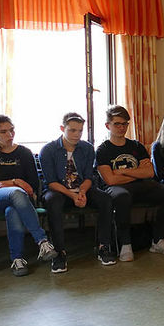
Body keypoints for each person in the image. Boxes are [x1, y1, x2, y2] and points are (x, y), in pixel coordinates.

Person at [95, 105, 164, 261]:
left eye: (125, 123)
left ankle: (158, 239)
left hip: (140, 186)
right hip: (116, 189)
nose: (121, 127)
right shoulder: (103, 150)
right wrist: (136, 173)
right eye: (117, 124)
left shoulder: (136, 146)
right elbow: (110, 180)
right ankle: (125, 244)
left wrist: (121, 172)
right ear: (108, 126)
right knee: (123, 196)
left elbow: (149, 172)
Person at [0, 115, 57, 276]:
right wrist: (17, 181)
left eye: (11, 130)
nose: (10, 135)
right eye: (4, 132)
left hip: (21, 200)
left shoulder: (25, 153)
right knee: (16, 192)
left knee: (12, 210)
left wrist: (7, 183)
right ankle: (42, 241)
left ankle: (18, 260)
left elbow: (33, 185)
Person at [39, 112, 118, 273]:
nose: (77, 134)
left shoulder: (87, 148)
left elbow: (89, 176)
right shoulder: (48, 150)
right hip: (59, 191)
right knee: (53, 202)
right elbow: (51, 182)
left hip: (83, 189)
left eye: (80, 131)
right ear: (63, 128)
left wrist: (81, 192)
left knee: (105, 199)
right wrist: (73, 195)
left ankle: (103, 246)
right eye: (72, 130)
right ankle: (59, 253)